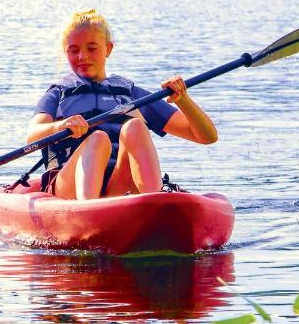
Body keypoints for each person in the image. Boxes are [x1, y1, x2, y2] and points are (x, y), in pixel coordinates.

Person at [26, 10, 218, 200]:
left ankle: (155, 202)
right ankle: (89, 210)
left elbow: (206, 136)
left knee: (135, 126)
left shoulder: (131, 94)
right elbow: (32, 136)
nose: (82, 56)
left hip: (117, 184)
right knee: (98, 139)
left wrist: (183, 100)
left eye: (92, 48)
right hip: (69, 186)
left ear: (108, 49)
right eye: (73, 50)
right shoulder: (57, 93)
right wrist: (61, 125)